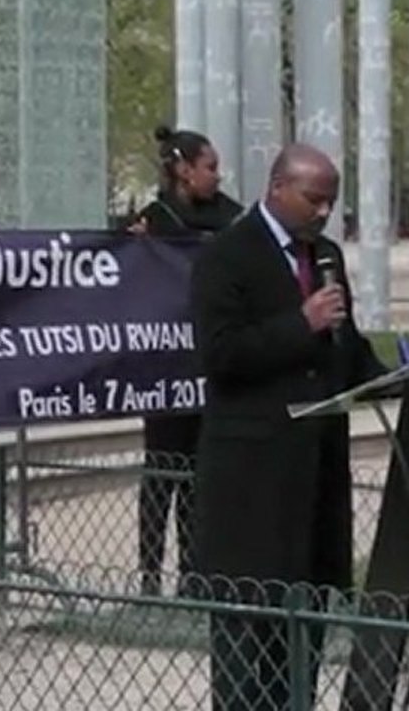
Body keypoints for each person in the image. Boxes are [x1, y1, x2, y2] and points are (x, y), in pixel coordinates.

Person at [190, 143, 388, 710]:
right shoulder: (227, 255)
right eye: (314, 199)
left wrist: (398, 377)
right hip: (251, 476)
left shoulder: (324, 256)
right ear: (278, 187)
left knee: (305, 620)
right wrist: (299, 324)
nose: (324, 212)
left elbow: (342, 348)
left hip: (316, 470)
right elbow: (221, 356)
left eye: (331, 201)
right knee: (247, 624)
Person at [131, 125, 242, 597]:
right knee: (160, 473)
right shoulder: (151, 220)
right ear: (182, 169)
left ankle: (195, 576)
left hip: (208, 366)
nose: (216, 176)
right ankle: (150, 574)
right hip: (164, 372)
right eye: (209, 167)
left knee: (199, 478)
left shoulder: (232, 217)